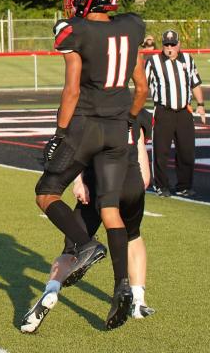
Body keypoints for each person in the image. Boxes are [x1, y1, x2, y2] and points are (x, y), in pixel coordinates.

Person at [33, 0, 148, 330]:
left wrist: (59, 134)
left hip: (85, 125)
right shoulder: (132, 26)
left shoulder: (74, 30)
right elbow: (141, 89)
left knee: (46, 193)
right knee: (110, 209)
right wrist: (128, 120)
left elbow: (72, 91)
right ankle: (121, 286)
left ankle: (85, 245)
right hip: (118, 129)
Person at [21, 107, 156, 333]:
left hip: (97, 186)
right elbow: (145, 169)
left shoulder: (88, 107)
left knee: (72, 250)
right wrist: (136, 187)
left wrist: (79, 181)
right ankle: (138, 302)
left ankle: (51, 291)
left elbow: (81, 150)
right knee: (132, 237)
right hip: (132, 182)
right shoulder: (135, 110)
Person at [144, 29, 206, 197]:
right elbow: (142, 86)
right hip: (164, 110)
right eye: (166, 44)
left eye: (172, 44)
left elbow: (195, 83)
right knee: (161, 151)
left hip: (184, 111)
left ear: (179, 44)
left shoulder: (187, 60)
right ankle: (161, 186)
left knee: (187, 150)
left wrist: (200, 104)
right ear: (162, 45)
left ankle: (184, 185)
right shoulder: (153, 62)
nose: (169, 48)